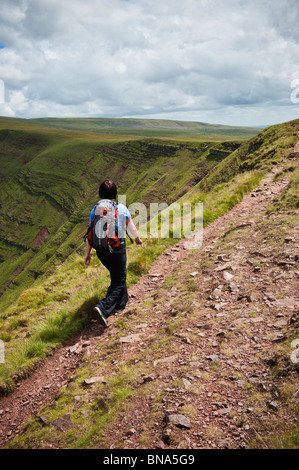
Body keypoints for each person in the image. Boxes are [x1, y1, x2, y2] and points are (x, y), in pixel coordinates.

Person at [84, 180, 142, 328]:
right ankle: (103, 308)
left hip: (101, 251)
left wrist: (88, 253)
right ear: (115, 194)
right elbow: (131, 226)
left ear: (100, 194)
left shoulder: (95, 209)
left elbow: (91, 231)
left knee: (117, 275)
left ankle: (120, 304)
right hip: (117, 249)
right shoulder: (120, 208)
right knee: (119, 279)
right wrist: (137, 238)